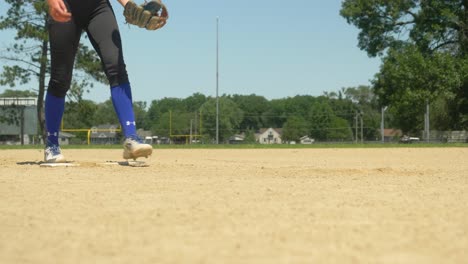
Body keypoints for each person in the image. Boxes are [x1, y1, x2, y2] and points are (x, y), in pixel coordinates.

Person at [45, 0, 152, 162]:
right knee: (60, 79)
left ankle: (131, 138)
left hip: (98, 7)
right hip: (64, 5)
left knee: (117, 68)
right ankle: (51, 145)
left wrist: (129, 6)